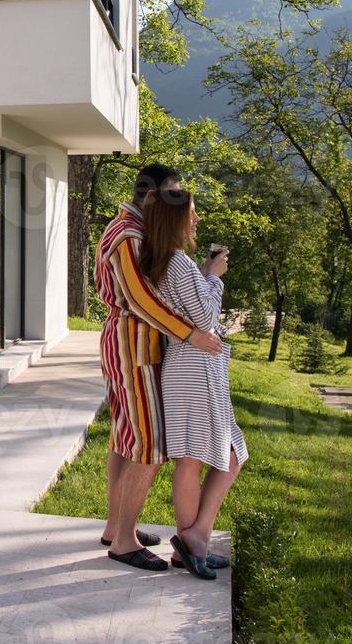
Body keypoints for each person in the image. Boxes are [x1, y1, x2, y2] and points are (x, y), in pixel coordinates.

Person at [94, 164, 223, 571]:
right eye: (172, 197)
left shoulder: (127, 228)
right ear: (151, 198)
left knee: (125, 438)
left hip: (130, 342)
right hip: (133, 344)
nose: (177, 206)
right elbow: (139, 300)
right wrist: (191, 335)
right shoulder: (128, 236)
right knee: (148, 445)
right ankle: (124, 542)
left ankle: (116, 527)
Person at [139, 187, 246, 582]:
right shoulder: (177, 262)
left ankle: (194, 537)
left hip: (195, 366)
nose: (197, 220)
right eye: (193, 213)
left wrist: (203, 274)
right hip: (193, 368)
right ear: (177, 220)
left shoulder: (168, 261)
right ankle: (193, 542)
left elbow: (189, 305)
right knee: (193, 458)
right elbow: (202, 317)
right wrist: (215, 279)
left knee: (227, 451)